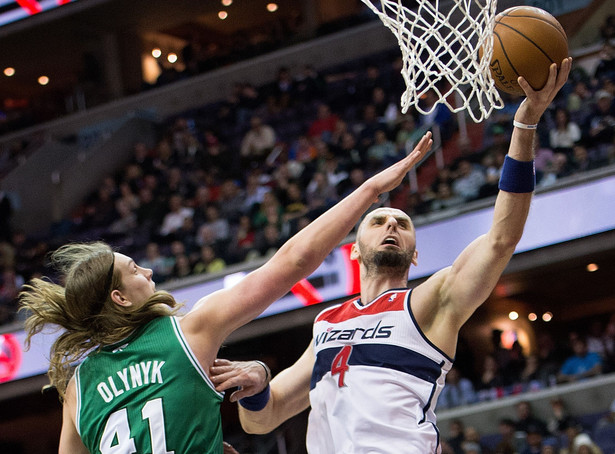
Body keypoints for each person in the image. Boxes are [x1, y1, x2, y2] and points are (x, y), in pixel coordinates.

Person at [211, 59, 573, 452]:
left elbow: (502, 238)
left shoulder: (430, 300)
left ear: (414, 256)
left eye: (402, 224)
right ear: (355, 251)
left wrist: (525, 125)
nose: (391, 227)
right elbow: (262, 419)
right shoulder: (327, 324)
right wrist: (258, 385)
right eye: (379, 220)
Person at [17, 131, 434, 454]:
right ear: (119, 299)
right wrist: (368, 191)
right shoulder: (186, 333)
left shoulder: (78, 388)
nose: (146, 270)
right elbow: (293, 261)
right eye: (133, 270)